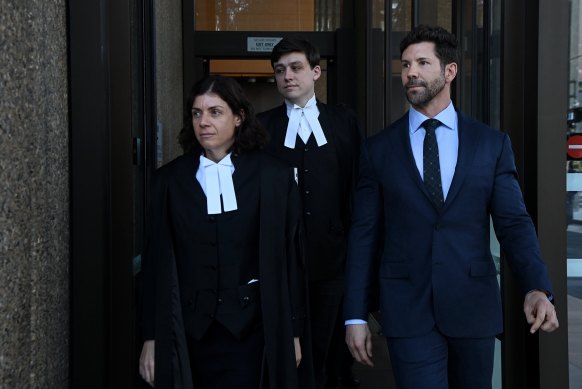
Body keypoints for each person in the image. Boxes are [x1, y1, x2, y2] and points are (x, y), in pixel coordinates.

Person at [344, 25, 559, 389]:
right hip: (407, 310)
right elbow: (364, 234)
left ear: (449, 71)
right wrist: (354, 316)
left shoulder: (490, 144)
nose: (411, 72)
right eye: (406, 64)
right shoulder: (378, 149)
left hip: (472, 307)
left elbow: (514, 223)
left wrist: (537, 287)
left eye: (423, 62)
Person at [138, 75, 314, 389]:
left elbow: (291, 259)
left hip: (252, 331)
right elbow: (155, 263)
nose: (203, 121)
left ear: (238, 117)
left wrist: (294, 332)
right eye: (197, 113)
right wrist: (151, 337)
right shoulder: (169, 181)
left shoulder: (273, 177)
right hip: (190, 333)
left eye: (215, 112)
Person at [257, 37, 363, 388]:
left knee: (331, 352)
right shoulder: (261, 128)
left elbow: (356, 187)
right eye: (280, 70)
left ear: (316, 72)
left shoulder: (343, 122)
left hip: (333, 260)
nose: (287, 75)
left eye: (296, 67)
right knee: (289, 353)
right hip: (281, 262)